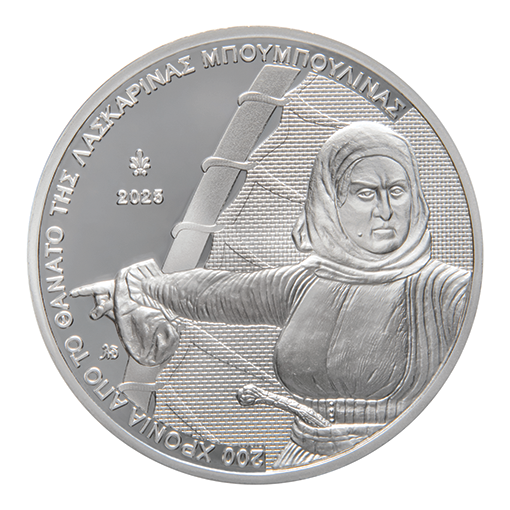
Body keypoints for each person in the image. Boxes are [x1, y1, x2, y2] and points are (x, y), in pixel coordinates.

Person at [72, 122, 471, 467]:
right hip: (299, 462)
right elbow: (217, 292)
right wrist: (136, 288)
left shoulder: (447, 291)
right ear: (330, 201)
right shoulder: (304, 283)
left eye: (397, 190)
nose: (385, 210)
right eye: (365, 193)